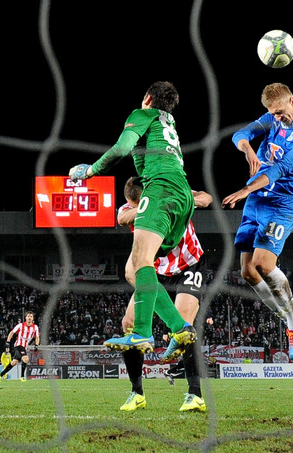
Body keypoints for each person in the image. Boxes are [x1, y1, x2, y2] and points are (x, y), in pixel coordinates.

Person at [69, 81, 196, 359]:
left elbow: (119, 148)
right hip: (183, 196)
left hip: (161, 190)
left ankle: (142, 332)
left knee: (141, 262)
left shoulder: (143, 114)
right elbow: (140, 163)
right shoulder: (168, 124)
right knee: (133, 269)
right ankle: (179, 327)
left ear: (147, 98)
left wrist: (90, 171)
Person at [221, 82, 293, 361]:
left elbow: (281, 168)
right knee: (247, 272)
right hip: (256, 201)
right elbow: (241, 134)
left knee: (264, 265)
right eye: (271, 114)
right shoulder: (272, 118)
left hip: (281, 204)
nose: (276, 118)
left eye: (279, 112)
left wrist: (245, 190)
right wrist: (248, 150)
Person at [117, 175, 212, 412]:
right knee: (128, 323)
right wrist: (146, 209)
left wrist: (189, 199)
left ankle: (195, 394)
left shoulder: (173, 191)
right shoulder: (131, 207)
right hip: (154, 271)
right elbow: (121, 217)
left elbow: (207, 198)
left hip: (187, 264)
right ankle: (136, 392)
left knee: (183, 323)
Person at [0, 311, 40, 382]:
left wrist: (36, 345)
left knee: (14, 362)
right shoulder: (20, 325)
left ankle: (0, 375)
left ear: (33, 318)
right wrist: (8, 341)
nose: (29, 318)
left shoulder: (35, 327)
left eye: (31, 316)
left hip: (24, 347)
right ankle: (22, 377)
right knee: (26, 359)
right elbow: (12, 332)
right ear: (25, 318)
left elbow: (37, 337)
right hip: (18, 345)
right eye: (28, 316)